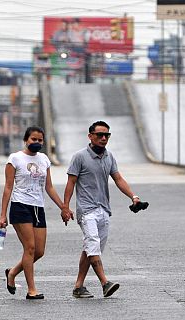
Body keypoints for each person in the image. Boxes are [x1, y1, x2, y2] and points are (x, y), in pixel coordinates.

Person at [61, 120, 142, 299]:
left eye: (107, 135)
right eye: (100, 135)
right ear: (90, 136)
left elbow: (118, 179)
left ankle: (78, 287)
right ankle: (105, 283)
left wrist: (133, 197)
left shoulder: (109, 157)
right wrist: (65, 207)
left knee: (91, 248)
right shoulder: (79, 157)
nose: (104, 138)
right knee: (92, 245)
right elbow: (71, 183)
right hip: (86, 210)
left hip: (104, 210)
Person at [0, 126, 70, 300]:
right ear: (26, 140)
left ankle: (13, 272)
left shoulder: (44, 159)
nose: (36, 142)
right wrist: (3, 215)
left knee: (39, 251)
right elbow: (8, 188)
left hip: (38, 207)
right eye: (33, 139)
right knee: (29, 248)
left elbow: (49, 187)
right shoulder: (15, 159)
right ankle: (32, 290)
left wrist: (63, 207)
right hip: (20, 206)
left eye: (40, 140)